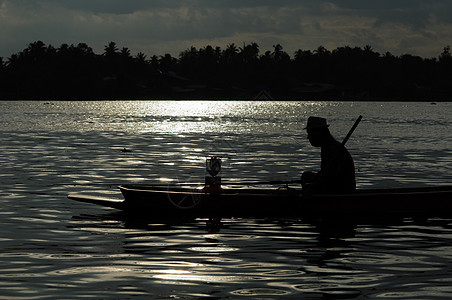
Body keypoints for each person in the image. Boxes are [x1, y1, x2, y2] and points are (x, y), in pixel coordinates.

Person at [301, 117, 356, 194]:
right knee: (306, 176)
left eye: (310, 134)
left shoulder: (334, 149)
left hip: (341, 189)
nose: (308, 137)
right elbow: (325, 173)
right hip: (333, 184)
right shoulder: (327, 147)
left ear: (319, 133)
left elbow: (330, 177)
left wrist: (312, 187)